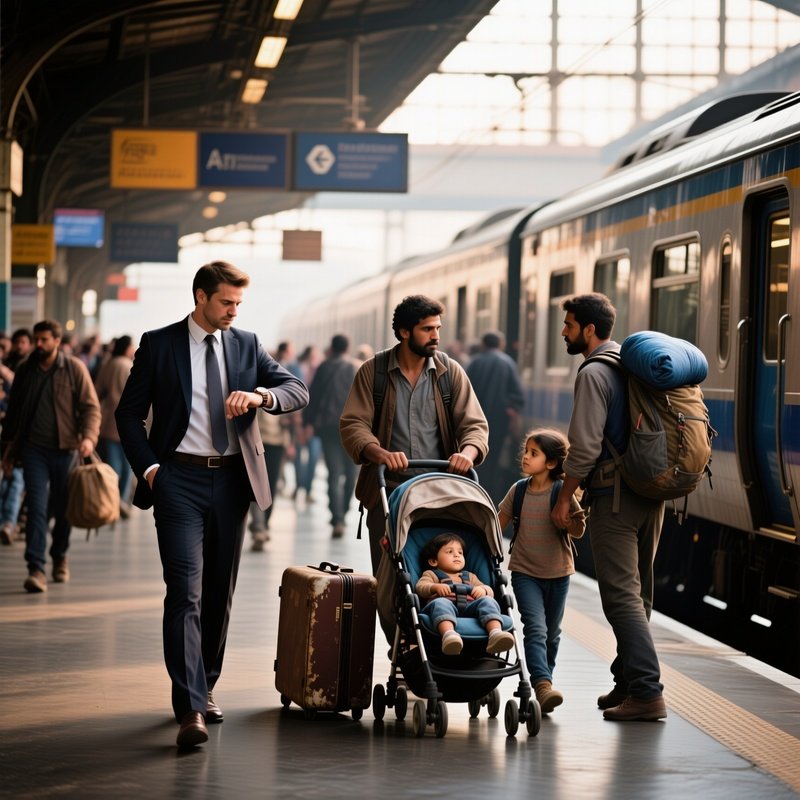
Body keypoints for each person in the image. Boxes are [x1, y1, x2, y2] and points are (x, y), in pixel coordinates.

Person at [115, 261, 308, 749]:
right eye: (226, 302)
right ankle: (190, 707)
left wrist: (261, 395)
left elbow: (296, 389)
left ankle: (207, 685)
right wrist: (151, 471)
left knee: (219, 591)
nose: (233, 311)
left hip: (232, 484)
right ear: (200, 296)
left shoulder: (245, 343)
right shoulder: (159, 344)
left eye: (238, 303)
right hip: (176, 478)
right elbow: (128, 414)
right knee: (186, 591)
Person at [339, 295, 488, 643]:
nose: (435, 335)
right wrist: (378, 451)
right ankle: (401, 655)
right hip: (388, 492)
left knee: (442, 574)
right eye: (427, 329)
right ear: (404, 332)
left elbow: (475, 425)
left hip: (442, 495)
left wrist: (468, 452)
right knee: (391, 582)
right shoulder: (373, 373)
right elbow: (352, 425)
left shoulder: (450, 373)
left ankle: (439, 647)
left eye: (438, 327)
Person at [551, 293, 667, 722]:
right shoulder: (630, 365)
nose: (563, 331)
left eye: (568, 324)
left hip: (614, 497)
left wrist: (566, 497)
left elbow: (584, 448)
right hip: (649, 493)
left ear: (589, 329)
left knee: (621, 599)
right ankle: (627, 682)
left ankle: (648, 692)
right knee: (640, 595)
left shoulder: (594, 373)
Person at [0, 319, 101, 592]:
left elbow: (91, 408)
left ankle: (59, 555)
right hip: (33, 450)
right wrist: (7, 451)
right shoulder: (25, 370)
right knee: (36, 507)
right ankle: (36, 567)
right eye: (37, 339)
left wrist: (89, 438)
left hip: (66, 449)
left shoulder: (74, 369)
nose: (39, 344)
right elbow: (14, 414)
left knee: (63, 509)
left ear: (57, 341)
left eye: (45, 340)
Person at [497, 428, 585, 714]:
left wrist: (568, 521)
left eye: (533, 453)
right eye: (526, 451)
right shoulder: (518, 490)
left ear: (550, 463)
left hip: (559, 573)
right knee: (535, 629)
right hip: (525, 572)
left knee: (552, 633)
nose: (525, 457)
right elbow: (497, 524)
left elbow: (579, 530)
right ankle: (542, 685)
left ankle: (545, 679)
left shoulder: (562, 493)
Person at [415, 532, 515, 656]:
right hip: (446, 607)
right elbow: (420, 587)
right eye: (449, 552)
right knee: (440, 603)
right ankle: (449, 635)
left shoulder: (470, 576)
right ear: (434, 561)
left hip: (470, 608)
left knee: (488, 602)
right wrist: (434, 587)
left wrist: (483, 590)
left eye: (460, 553)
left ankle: (495, 633)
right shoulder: (432, 574)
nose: (456, 555)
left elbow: (489, 591)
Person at [302, 334, 358, 538]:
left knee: (334, 473)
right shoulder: (355, 368)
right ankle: (343, 511)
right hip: (351, 431)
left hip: (327, 429)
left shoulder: (324, 367)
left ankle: (337, 518)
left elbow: (313, 396)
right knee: (351, 475)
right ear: (348, 347)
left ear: (332, 348)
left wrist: (307, 423)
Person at [466, 330, 525, 504]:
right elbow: (517, 395)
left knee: (477, 459)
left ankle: (474, 493)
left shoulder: (474, 362)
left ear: (483, 344)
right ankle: (491, 498)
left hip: (474, 421)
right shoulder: (507, 363)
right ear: (500, 344)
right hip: (499, 421)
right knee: (494, 458)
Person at [94, 335, 135, 516]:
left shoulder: (107, 365)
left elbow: (96, 393)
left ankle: (111, 500)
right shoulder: (130, 367)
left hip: (108, 421)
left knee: (112, 466)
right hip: (129, 424)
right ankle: (122, 501)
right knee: (127, 466)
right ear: (126, 348)